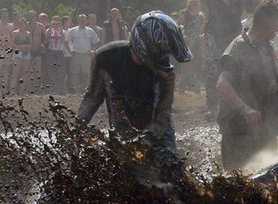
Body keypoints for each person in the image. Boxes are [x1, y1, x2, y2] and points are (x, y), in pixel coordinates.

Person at [77, 10, 192, 161]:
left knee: (167, 164)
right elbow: (92, 98)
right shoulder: (106, 58)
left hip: (158, 131)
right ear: (146, 45)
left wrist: (144, 143)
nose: (165, 59)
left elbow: (162, 117)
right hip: (122, 129)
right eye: (161, 53)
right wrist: (76, 130)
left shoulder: (165, 73)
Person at [216, 0, 278, 171]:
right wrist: (245, 109)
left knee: (268, 181)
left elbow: (276, 92)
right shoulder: (238, 48)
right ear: (267, 22)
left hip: (267, 131)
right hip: (239, 132)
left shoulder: (268, 48)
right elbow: (223, 84)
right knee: (237, 183)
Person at [205, 0, 272, 114]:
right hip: (217, 28)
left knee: (236, 62)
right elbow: (225, 1)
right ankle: (212, 106)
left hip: (233, 28)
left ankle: (235, 101)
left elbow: (249, 7)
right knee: (216, 62)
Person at [177, 0, 208, 93]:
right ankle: (182, 87)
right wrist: (183, 36)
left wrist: (201, 36)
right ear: (192, 5)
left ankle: (197, 87)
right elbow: (176, 26)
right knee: (186, 65)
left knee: (198, 65)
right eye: (197, 5)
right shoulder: (185, 15)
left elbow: (202, 28)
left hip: (197, 42)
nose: (199, 7)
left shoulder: (201, 16)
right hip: (187, 43)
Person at [66, 14, 100, 93]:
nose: (82, 22)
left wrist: (93, 50)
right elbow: (66, 41)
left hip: (86, 54)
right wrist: (70, 50)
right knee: (74, 72)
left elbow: (96, 42)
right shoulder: (73, 30)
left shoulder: (90, 31)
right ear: (78, 21)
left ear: (86, 21)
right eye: (81, 20)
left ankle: (87, 89)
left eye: (84, 20)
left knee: (86, 73)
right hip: (76, 54)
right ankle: (73, 88)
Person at [45, 16, 70, 95]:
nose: (56, 24)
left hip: (59, 52)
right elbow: (46, 36)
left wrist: (60, 28)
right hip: (51, 52)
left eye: (58, 22)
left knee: (60, 71)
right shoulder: (49, 30)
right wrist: (50, 26)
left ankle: (60, 89)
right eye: (54, 22)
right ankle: (52, 89)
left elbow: (63, 38)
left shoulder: (63, 31)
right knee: (51, 70)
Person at [0, 8, 13, 93]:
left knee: (6, 69)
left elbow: (11, 37)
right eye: (3, 14)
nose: (4, 15)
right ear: (0, 15)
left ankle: (3, 90)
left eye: (6, 14)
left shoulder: (10, 26)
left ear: (8, 15)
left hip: (7, 49)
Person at [10, 14, 32, 95]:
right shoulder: (15, 33)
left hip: (26, 53)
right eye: (20, 24)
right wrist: (19, 47)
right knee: (15, 72)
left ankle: (21, 91)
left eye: (23, 24)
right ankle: (12, 91)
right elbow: (12, 44)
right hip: (17, 53)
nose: (22, 25)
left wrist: (25, 46)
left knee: (24, 72)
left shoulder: (28, 34)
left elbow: (31, 45)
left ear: (26, 24)